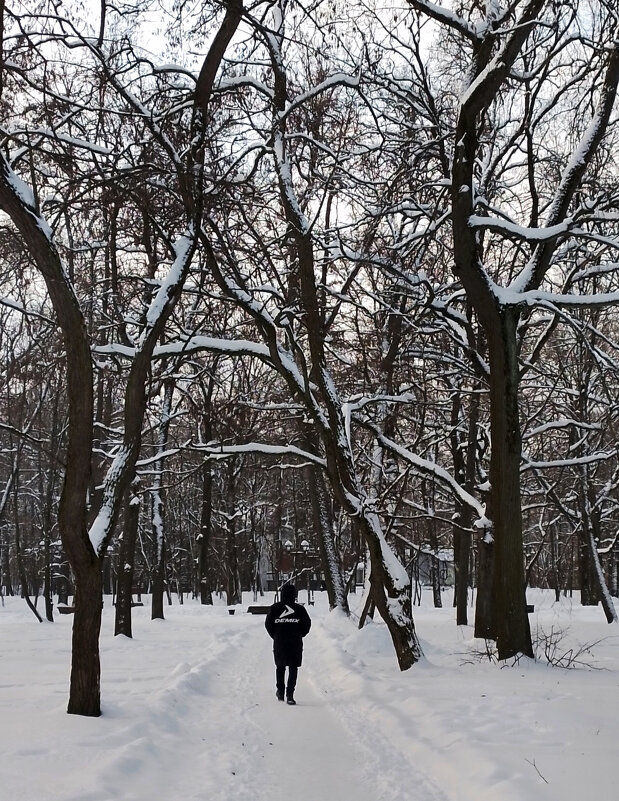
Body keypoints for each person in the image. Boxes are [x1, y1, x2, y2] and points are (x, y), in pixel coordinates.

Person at [264, 583, 311, 705]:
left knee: (280, 667)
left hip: (280, 642)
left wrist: (275, 635)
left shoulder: (275, 608)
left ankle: (280, 691)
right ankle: (290, 695)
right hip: (295, 643)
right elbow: (307, 624)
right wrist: (300, 634)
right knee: (293, 668)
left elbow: (268, 624)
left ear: (282, 594)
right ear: (294, 595)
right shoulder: (300, 609)